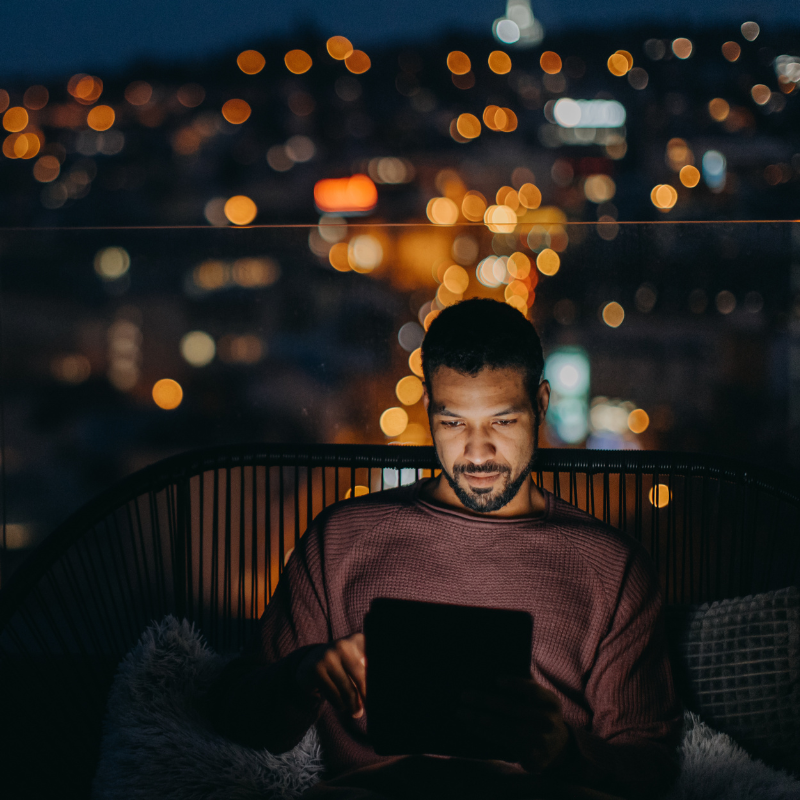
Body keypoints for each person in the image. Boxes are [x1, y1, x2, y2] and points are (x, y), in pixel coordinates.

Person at [207, 298, 684, 800]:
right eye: (453, 423)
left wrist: (566, 749)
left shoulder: (611, 569)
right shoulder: (341, 540)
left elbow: (650, 766)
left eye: (502, 421)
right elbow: (234, 714)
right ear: (429, 409)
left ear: (541, 404)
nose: (477, 453)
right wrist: (303, 673)